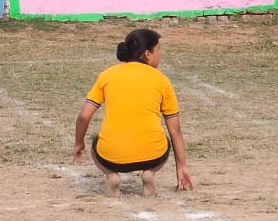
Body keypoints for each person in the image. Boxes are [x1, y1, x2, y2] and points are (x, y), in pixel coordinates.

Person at [74, 28, 195, 196]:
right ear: (147, 54)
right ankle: (149, 173)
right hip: (153, 156)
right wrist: (182, 166)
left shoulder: (107, 75)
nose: (160, 53)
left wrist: (78, 143)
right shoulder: (162, 80)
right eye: (158, 49)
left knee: (96, 141)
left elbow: (84, 115)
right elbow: (175, 130)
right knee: (164, 140)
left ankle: (112, 176)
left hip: (110, 158)